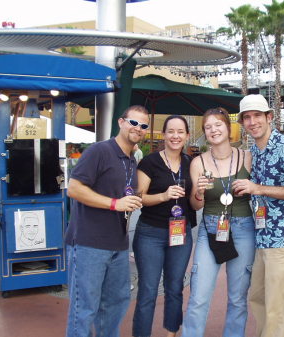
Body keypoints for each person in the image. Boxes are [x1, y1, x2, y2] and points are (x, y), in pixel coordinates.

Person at [65, 105, 148, 337]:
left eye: (143, 126)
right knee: (84, 309)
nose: (138, 128)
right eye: (133, 122)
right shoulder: (99, 151)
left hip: (118, 245)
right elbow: (74, 188)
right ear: (121, 122)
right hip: (88, 243)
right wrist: (115, 203)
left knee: (115, 304)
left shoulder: (131, 160)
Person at [236, 94, 284, 337]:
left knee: (279, 307)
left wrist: (258, 188)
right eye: (247, 117)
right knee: (259, 299)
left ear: (269, 117)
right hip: (262, 237)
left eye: (257, 115)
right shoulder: (255, 151)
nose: (252, 121)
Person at [181, 107, 255, 337]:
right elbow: (195, 205)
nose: (213, 130)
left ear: (228, 127)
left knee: (238, 298)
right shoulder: (198, 162)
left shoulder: (247, 156)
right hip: (210, 228)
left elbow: (259, 191)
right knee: (199, 296)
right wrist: (199, 193)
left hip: (243, 228)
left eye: (218, 124)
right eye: (208, 127)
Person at [132, 115, 196, 337]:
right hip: (151, 232)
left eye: (180, 132)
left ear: (187, 136)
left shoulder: (191, 163)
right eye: (171, 131)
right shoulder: (149, 162)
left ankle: (171, 333)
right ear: (163, 134)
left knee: (175, 287)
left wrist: (201, 192)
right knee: (148, 290)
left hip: (181, 232)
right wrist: (163, 195)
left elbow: (196, 202)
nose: (175, 136)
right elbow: (139, 198)